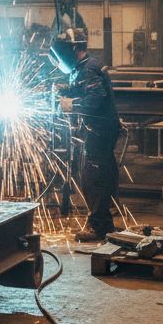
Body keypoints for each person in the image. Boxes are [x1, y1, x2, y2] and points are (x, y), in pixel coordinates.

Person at [52, 28, 122, 243]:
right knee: (104, 175)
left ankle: (98, 228)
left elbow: (95, 98)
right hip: (103, 129)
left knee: (93, 179)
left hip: (100, 131)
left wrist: (71, 104)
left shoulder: (88, 69)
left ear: (73, 50)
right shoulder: (85, 67)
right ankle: (106, 224)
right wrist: (66, 89)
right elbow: (85, 89)